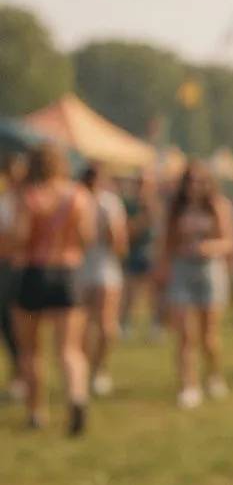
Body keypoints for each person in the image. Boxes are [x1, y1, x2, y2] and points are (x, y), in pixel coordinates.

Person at [12, 143, 94, 435]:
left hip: (34, 272)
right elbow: (86, 236)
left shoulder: (29, 196)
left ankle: (36, 411)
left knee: (31, 350)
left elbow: (20, 237)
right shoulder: (78, 195)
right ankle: (77, 397)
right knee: (70, 349)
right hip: (67, 272)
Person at [156, 160, 233, 409]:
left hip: (209, 271)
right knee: (184, 335)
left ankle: (214, 375)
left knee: (209, 335)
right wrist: (162, 270)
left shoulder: (218, 205)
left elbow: (229, 242)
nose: (194, 185)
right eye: (190, 180)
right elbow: (166, 243)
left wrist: (209, 247)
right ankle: (188, 386)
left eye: (199, 181)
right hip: (182, 270)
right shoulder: (176, 208)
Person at [80, 164, 128, 396]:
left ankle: (99, 369)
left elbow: (119, 243)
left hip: (105, 270)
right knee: (83, 326)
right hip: (80, 270)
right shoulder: (78, 201)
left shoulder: (110, 203)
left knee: (106, 326)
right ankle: (85, 370)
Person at [0, 152, 27, 400]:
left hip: (16, 268)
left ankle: (21, 376)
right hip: (6, 266)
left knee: (15, 323)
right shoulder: (6, 199)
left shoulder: (27, 201)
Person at [121, 171, 161, 337]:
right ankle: (125, 324)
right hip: (134, 253)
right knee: (130, 292)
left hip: (152, 252)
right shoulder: (129, 205)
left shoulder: (157, 205)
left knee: (154, 294)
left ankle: (155, 325)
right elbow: (128, 230)